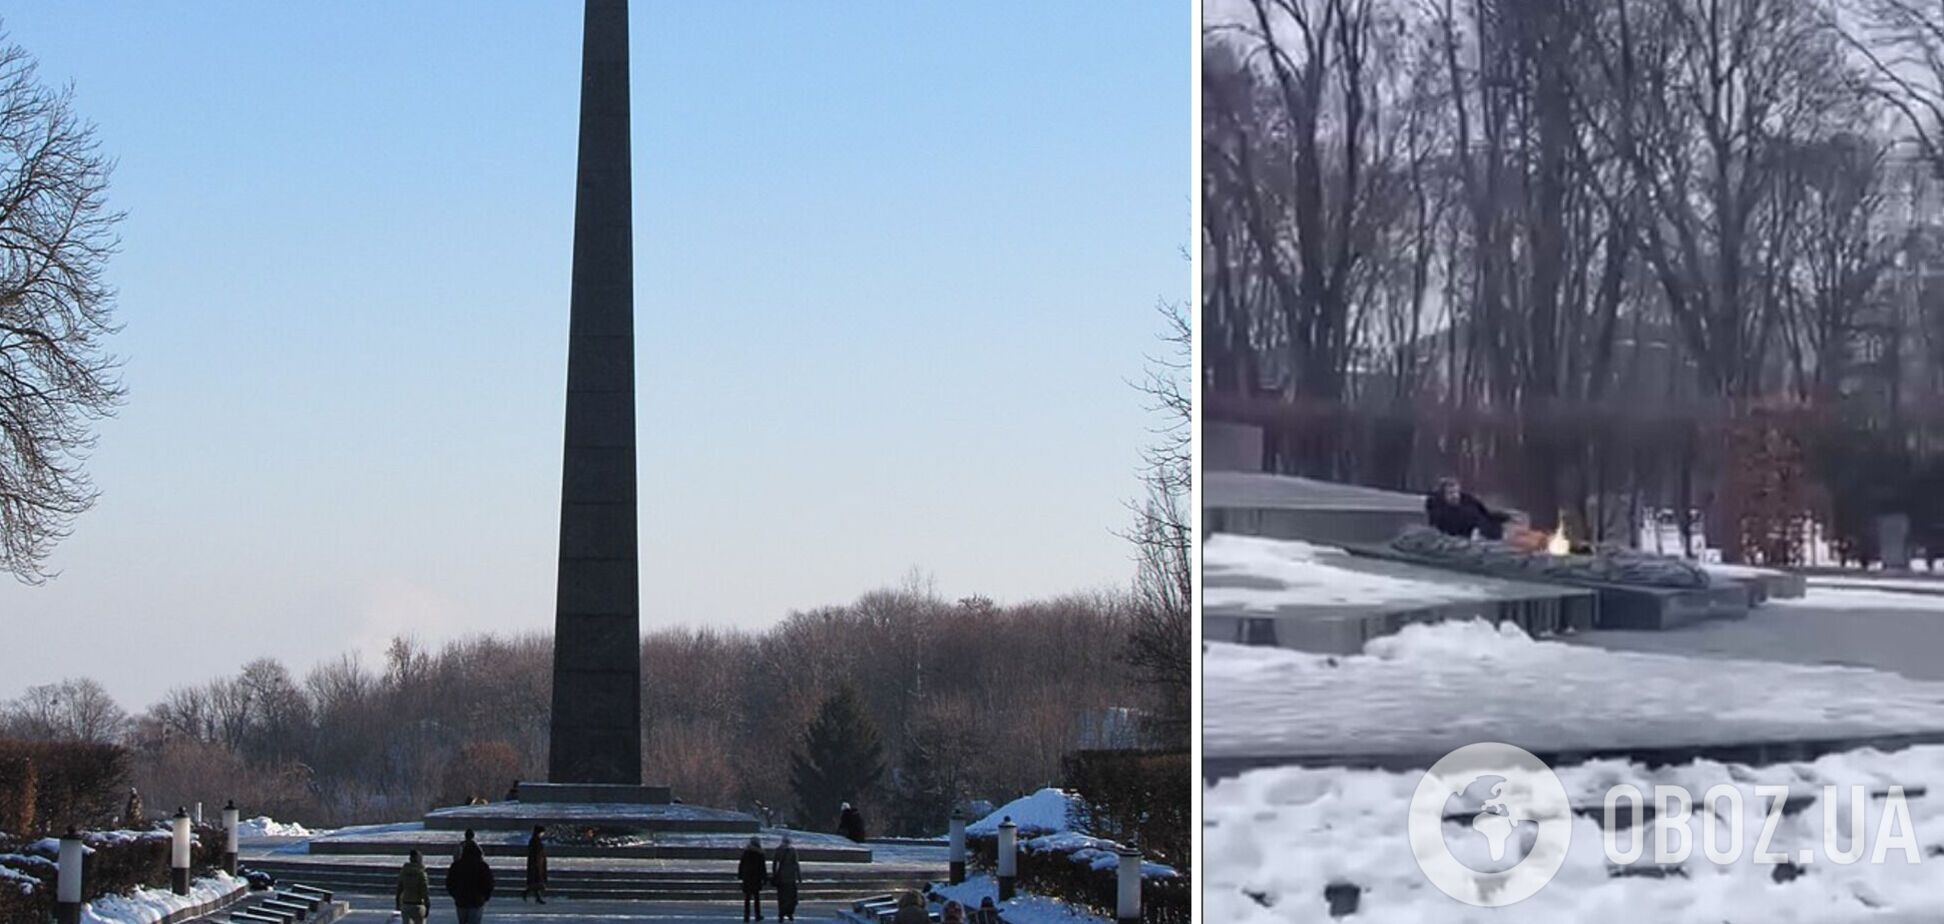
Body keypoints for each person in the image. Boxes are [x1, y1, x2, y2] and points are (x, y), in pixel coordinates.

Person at [1425, 476, 1510, 540]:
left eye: (1456, 492)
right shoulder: (1439, 509)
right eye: (1450, 493)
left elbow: (1485, 513)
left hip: (1484, 529)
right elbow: (1440, 524)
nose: (1455, 496)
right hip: (1465, 535)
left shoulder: (1469, 501)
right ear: (1443, 495)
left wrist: (1504, 517)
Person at [445, 838, 496, 924]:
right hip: (477, 901)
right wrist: (485, 897)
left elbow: (449, 882)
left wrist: (456, 895)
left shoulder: (456, 865)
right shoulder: (482, 866)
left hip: (461, 900)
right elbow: (489, 883)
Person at [771, 834, 802, 922]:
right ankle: (789, 913)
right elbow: (796, 864)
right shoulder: (792, 851)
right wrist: (799, 876)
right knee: (792, 897)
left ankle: (781, 914)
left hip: (781, 878)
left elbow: (774, 864)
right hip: (790, 878)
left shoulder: (778, 850)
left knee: (781, 897)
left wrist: (774, 874)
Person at [394, 850, 431, 924]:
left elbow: (399, 888)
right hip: (418, 904)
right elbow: (424, 890)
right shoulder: (421, 873)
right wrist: (427, 904)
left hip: (406, 904)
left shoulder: (404, 871)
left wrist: (398, 902)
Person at [738, 836, 768, 921]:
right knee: (756, 898)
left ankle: (746, 916)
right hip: (756, 878)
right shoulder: (760, 853)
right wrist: (764, 878)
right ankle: (757, 915)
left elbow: (741, 864)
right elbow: (762, 867)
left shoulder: (746, 852)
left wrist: (740, 875)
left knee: (747, 898)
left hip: (747, 878)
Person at [522, 825, 548, 904]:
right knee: (536, 881)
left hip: (537, 863)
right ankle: (529, 894)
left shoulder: (535, 840)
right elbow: (536, 854)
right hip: (536, 864)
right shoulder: (535, 841)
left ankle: (536, 897)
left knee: (536, 882)